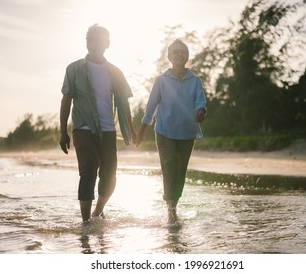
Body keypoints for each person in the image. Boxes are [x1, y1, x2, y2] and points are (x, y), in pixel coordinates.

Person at [60, 24, 136, 222]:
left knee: (109, 175)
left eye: (98, 40)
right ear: (87, 43)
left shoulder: (115, 72)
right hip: (83, 127)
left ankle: (97, 211)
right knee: (89, 168)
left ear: (107, 44)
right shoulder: (74, 68)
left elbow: (124, 102)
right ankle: (86, 222)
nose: (92, 43)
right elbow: (66, 100)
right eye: (89, 40)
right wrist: (63, 132)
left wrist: (132, 129)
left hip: (108, 129)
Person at [136, 39, 207, 225]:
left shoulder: (195, 80)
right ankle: (171, 211)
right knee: (169, 167)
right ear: (169, 56)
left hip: (187, 133)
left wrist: (201, 111)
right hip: (165, 132)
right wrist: (142, 130)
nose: (179, 54)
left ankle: (174, 205)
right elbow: (151, 107)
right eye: (175, 52)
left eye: (183, 51)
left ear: (187, 56)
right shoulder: (161, 80)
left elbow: (200, 101)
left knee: (180, 170)